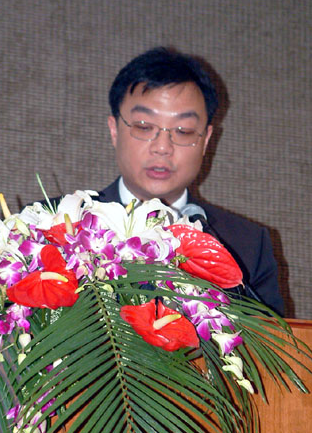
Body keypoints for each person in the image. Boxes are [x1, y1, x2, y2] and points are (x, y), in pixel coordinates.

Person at [54, 47, 284, 314]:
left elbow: (272, 337)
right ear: (114, 130)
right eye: (144, 127)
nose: (162, 147)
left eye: (184, 131)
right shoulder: (56, 224)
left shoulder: (246, 245)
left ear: (206, 140)